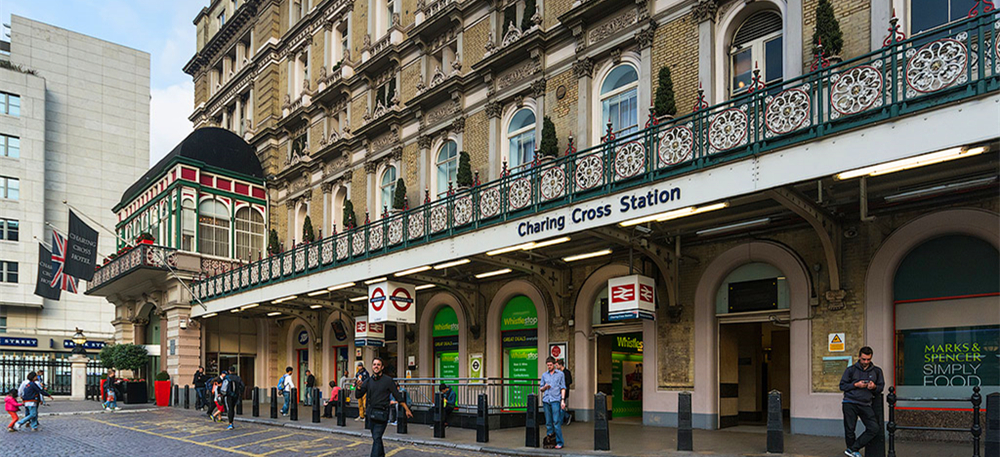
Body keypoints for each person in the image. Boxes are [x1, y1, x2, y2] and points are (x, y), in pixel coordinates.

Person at [355, 357, 412, 457]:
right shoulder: (368, 381)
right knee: (376, 438)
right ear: (372, 367)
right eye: (374, 364)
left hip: (382, 414)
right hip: (371, 414)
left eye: (378, 365)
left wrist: (407, 409)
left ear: (382, 367)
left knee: (377, 437)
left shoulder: (388, 381)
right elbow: (358, 395)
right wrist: (359, 387)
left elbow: (398, 396)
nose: (376, 366)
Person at [839, 346, 884, 457]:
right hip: (850, 402)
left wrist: (873, 387)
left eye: (868, 359)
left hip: (865, 404)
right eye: (863, 359)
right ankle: (852, 452)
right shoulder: (851, 370)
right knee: (850, 429)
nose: (866, 362)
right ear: (859, 357)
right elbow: (842, 386)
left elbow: (880, 387)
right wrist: (856, 384)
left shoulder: (877, 371)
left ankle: (853, 449)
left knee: (874, 428)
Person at [539, 356, 566, 449]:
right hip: (546, 400)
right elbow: (541, 389)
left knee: (556, 421)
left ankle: (559, 442)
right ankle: (550, 440)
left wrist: (562, 400)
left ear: (554, 364)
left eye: (550, 365)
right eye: (548, 365)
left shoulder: (560, 374)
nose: (549, 367)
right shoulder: (544, 375)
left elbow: (563, 387)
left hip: (555, 400)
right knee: (548, 422)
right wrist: (545, 387)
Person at [556, 359, 573, 425]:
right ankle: (566, 416)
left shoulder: (566, 372)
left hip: (564, 391)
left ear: (560, 365)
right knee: (559, 406)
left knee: (561, 406)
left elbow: (569, 381)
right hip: (559, 391)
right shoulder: (558, 373)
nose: (556, 367)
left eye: (557, 365)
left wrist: (563, 385)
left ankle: (562, 420)